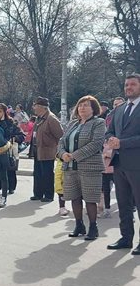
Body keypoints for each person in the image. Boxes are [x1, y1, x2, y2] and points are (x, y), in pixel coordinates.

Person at [57, 96, 106, 240]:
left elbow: (96, 144)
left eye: (86, 105)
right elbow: (61, 142)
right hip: (70, 168)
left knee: (90, 199)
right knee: (74, 197)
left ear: (93, 108)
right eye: (80, 105)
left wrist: (74, 155)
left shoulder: (98, 123)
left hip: (90, 168)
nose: (82, 108)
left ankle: (93, 227)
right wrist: (63, 153)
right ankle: (79, 225)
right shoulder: (73, 124)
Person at [106, 74, 140, 254]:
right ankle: (126, 238)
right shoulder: (119, 110)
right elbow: (109, 131)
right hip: (119, 164)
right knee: (123, 203)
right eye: (127, 85)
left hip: (137, 164)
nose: (129, 87)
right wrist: (110, 139)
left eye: (133, 84)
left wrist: (122, 143)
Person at [30, 97, 64, 202]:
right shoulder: (38, 118)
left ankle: (48, 195)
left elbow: (60, 134)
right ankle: (38, 193)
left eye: (35, 105)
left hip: (47, 151)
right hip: (37, 150)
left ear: (41, 107)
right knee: (38, 173)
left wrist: (50, 142)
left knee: (47, 174)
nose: (34, 108)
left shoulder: (51, 119)